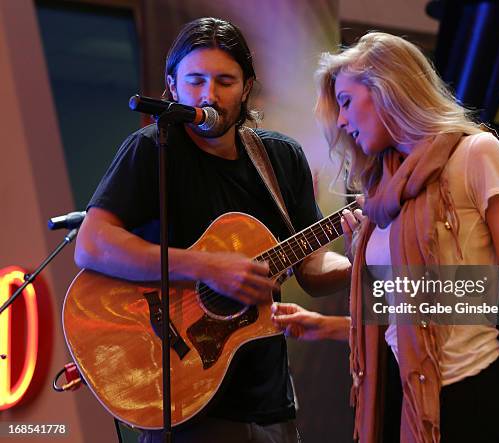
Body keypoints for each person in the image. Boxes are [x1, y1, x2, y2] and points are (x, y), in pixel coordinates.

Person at [272, 32, 499, 442]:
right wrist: (325, 325)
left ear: (387, 88)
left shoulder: (475, 153)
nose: (341, 121)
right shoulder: (382, 194)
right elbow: (406, 316)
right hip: (400, 394)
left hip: (466, 393)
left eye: (345, 102)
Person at [74, 17, 351, 443]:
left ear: (246, 89)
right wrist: (207, 268)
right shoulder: (152, 150)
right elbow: (92, 245)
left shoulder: (281, 159)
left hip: (270, 401)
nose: (209, 94)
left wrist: (360, 258)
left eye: (225, 81)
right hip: (185, 401)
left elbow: (312, 268)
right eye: (196, 80)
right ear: (173, 85)